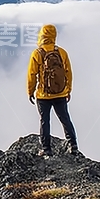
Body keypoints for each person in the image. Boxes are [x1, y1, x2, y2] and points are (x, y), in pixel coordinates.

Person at [27, 24, 80, 157]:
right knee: (65, 119)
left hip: (43, 95)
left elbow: (32, 74)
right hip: (60, 93)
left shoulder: (37, 53)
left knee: (44, 121)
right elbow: (68, 72)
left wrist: (30, 91)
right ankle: (73, 146)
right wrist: (68, 90)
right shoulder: (61, 52)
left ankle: (46, 150)